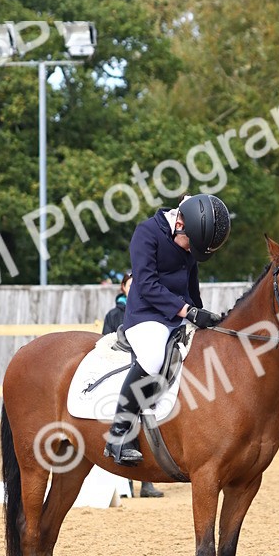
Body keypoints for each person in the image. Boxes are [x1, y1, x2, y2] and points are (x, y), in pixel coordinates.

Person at [103, 193, 231, 466]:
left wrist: (200, 314)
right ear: (180, 224)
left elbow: (191, 287)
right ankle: (118, 433)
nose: (188, 252)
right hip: (146, 315)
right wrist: (187, 311)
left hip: (179, 315)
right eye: (189, 246)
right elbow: (147, 284)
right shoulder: (146, 233)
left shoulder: (190, 239)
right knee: (152, 359)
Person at [102, 273, 163, 498]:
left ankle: (146, 482)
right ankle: (125, 480)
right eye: (129, 284)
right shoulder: (115, 314)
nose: (133, 288)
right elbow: (107, 339)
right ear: (123, 288)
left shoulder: (149, 310)